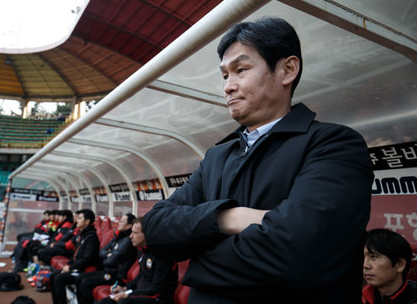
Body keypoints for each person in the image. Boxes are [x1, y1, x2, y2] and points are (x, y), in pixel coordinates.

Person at [143, 17, 374, 304]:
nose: (228, 86)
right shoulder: (218, 156)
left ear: (287, 70)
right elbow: (155, 228)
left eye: (241, 70)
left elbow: (300, 254)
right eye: (225, 75)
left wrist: (197, 259)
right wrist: (229, 217)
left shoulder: (333, 144)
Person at [98, 217, 178, 304]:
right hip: (141, 294)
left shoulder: (163, 255)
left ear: (147, 234)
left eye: (135, 233)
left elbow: (156, 290)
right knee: (105, 302)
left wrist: (129, 295)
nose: (130, 236)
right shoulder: (143, 251)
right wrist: (124, 288)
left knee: (123, 302)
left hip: (158, 299)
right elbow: (141, 276)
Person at [75, 213, 137, 304]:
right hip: (107, 271)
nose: (119, 223)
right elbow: (101, 252)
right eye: (119, 221)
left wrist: (109, 255)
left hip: (117, 276)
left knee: (86, 283)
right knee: (79, 278)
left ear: (129, 226)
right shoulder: (118, 237)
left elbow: (110, 261)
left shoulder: (127, 241)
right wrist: (110, 254)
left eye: (122, 221)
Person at [50, 209, 100, 304]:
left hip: (85, 270)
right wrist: (68, 265)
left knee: (59, 278)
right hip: (76, 268)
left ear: (87, 221)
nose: (77, 220)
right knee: (53, 276)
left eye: (80, 218)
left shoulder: (91, 237)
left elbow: (87, 259)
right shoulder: (82, 234)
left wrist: (70, 267)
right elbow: (74, 254)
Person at [362, 228, 417, 304]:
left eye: (373, 257)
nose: (365, 265)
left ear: (400, 264)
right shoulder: (359, 297)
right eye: (363, 258)